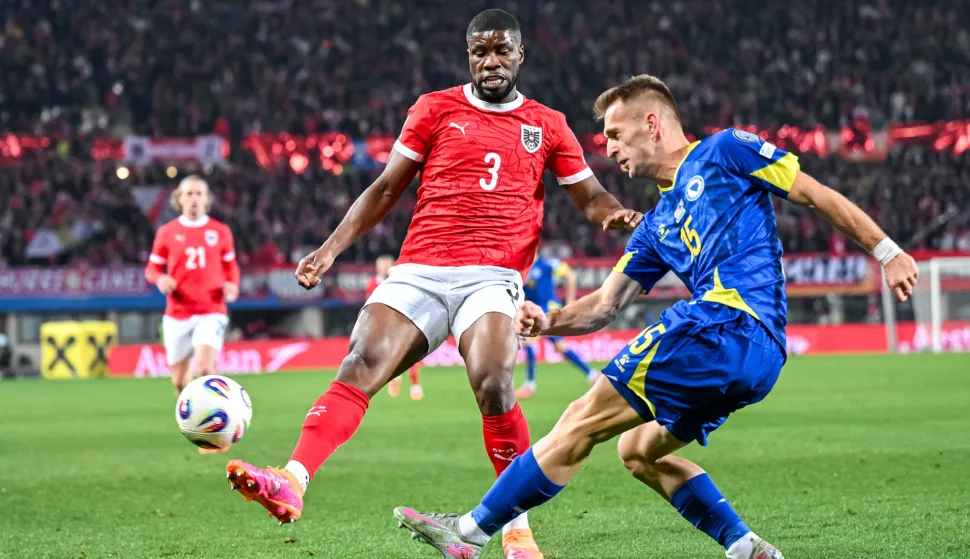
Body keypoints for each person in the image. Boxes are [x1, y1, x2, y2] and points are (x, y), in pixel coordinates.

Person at [392, 75, 920, 559]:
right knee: (638, 449)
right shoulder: (654, 225)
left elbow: (815, 194)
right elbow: (603, 305)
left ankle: (467, 535)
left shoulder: (725, 150)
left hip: (727, 323)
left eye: (616, 135)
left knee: (580, 419)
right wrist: (545, 322)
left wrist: (887, 251)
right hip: (757, 356)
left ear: (652, 123)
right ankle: (747, 548)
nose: (611, 150)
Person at [224, 10, 640, 559]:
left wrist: (615, 214)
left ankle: (516, 532)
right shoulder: (435, 107)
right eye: (480, 52)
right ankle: (293, 480)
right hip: (420, 267)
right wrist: (329, 249)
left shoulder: (548, 123)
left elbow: (588, 196)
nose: (490, 61)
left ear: (520, 56)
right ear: (469, 56)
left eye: (501, 51)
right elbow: (385, 187)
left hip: (494, 274)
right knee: (361, 362)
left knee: (493, 379)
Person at [146, 175, 240, 452]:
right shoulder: (166, 232)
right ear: (179, 198)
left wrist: (232, 285)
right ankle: (196, 421)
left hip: (211, 310)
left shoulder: (220, 231)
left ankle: (218, 432)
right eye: (188, 194)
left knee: (206, 368)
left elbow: (231, 267)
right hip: (177, 313)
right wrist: (160, 280)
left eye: (199, 193)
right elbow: (152, 268)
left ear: (207, 198)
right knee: (178, 380)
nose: (194, 199)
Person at [515, 250, 597, 399]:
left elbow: (570, 275)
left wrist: (571, 302)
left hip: (549, 310)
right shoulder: (521, 268)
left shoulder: (546, 264)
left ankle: (530, 384)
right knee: (560, 346)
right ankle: (591, 374)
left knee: (528, 342)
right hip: (535, 311)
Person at [367, 255, 424, 400]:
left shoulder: (399, 281)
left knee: (410, 352)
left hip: (402, 321)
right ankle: (395, 377)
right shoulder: (372, 283)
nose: (383, 268)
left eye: (386, 265)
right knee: (388, 353)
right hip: (383, 325)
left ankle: (415, 385)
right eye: (381, 265)